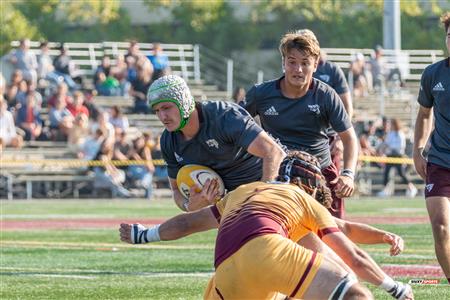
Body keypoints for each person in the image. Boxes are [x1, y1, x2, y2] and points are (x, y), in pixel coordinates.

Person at [120, 151, 412, 300]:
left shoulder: (242, 192)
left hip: (223, 277)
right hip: (266, 252)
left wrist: (144, 234)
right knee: (355, 292)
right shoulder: (300, 197)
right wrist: (395, 287)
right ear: (309, 185)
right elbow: (353, 253)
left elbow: (188, 222)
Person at [242, 30, 358, 218]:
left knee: (333, 236)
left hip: (321, 174)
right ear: (283, 63)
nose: (298, 69)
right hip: (278, 174)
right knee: (275, 234)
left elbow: (349, 138)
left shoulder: (326, 95)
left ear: (315, 65)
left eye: (305, 63)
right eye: (292, 62)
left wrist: (348, 174)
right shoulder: (261, 94)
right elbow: (235, 124)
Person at [147, 74, 286, 212]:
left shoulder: (223, 116)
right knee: (181, 225)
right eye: (157, 111)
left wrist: (264, 196)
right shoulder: (168, 140)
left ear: (183, 101)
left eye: (166, 108)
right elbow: (176, 190)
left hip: (271, 188)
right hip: (233, 201)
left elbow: (273, 152)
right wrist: (189, 205)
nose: (162, 116)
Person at [413, 12, 450, 284]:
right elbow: (424, 114)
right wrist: (417, 149)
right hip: (440, 161)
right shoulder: (433, 73)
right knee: (440, 228)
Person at [378, 118, 417, 197]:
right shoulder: (390, 133)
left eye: (391, 124)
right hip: (390, 156)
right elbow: (386, 143)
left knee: (401, 173)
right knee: (386, 172)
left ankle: (412, 188)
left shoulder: (400, 133)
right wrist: (382, 148)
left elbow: (401, 146)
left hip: (398, 156)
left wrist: (390, 147)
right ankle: (385, 190)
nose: (390, 125)